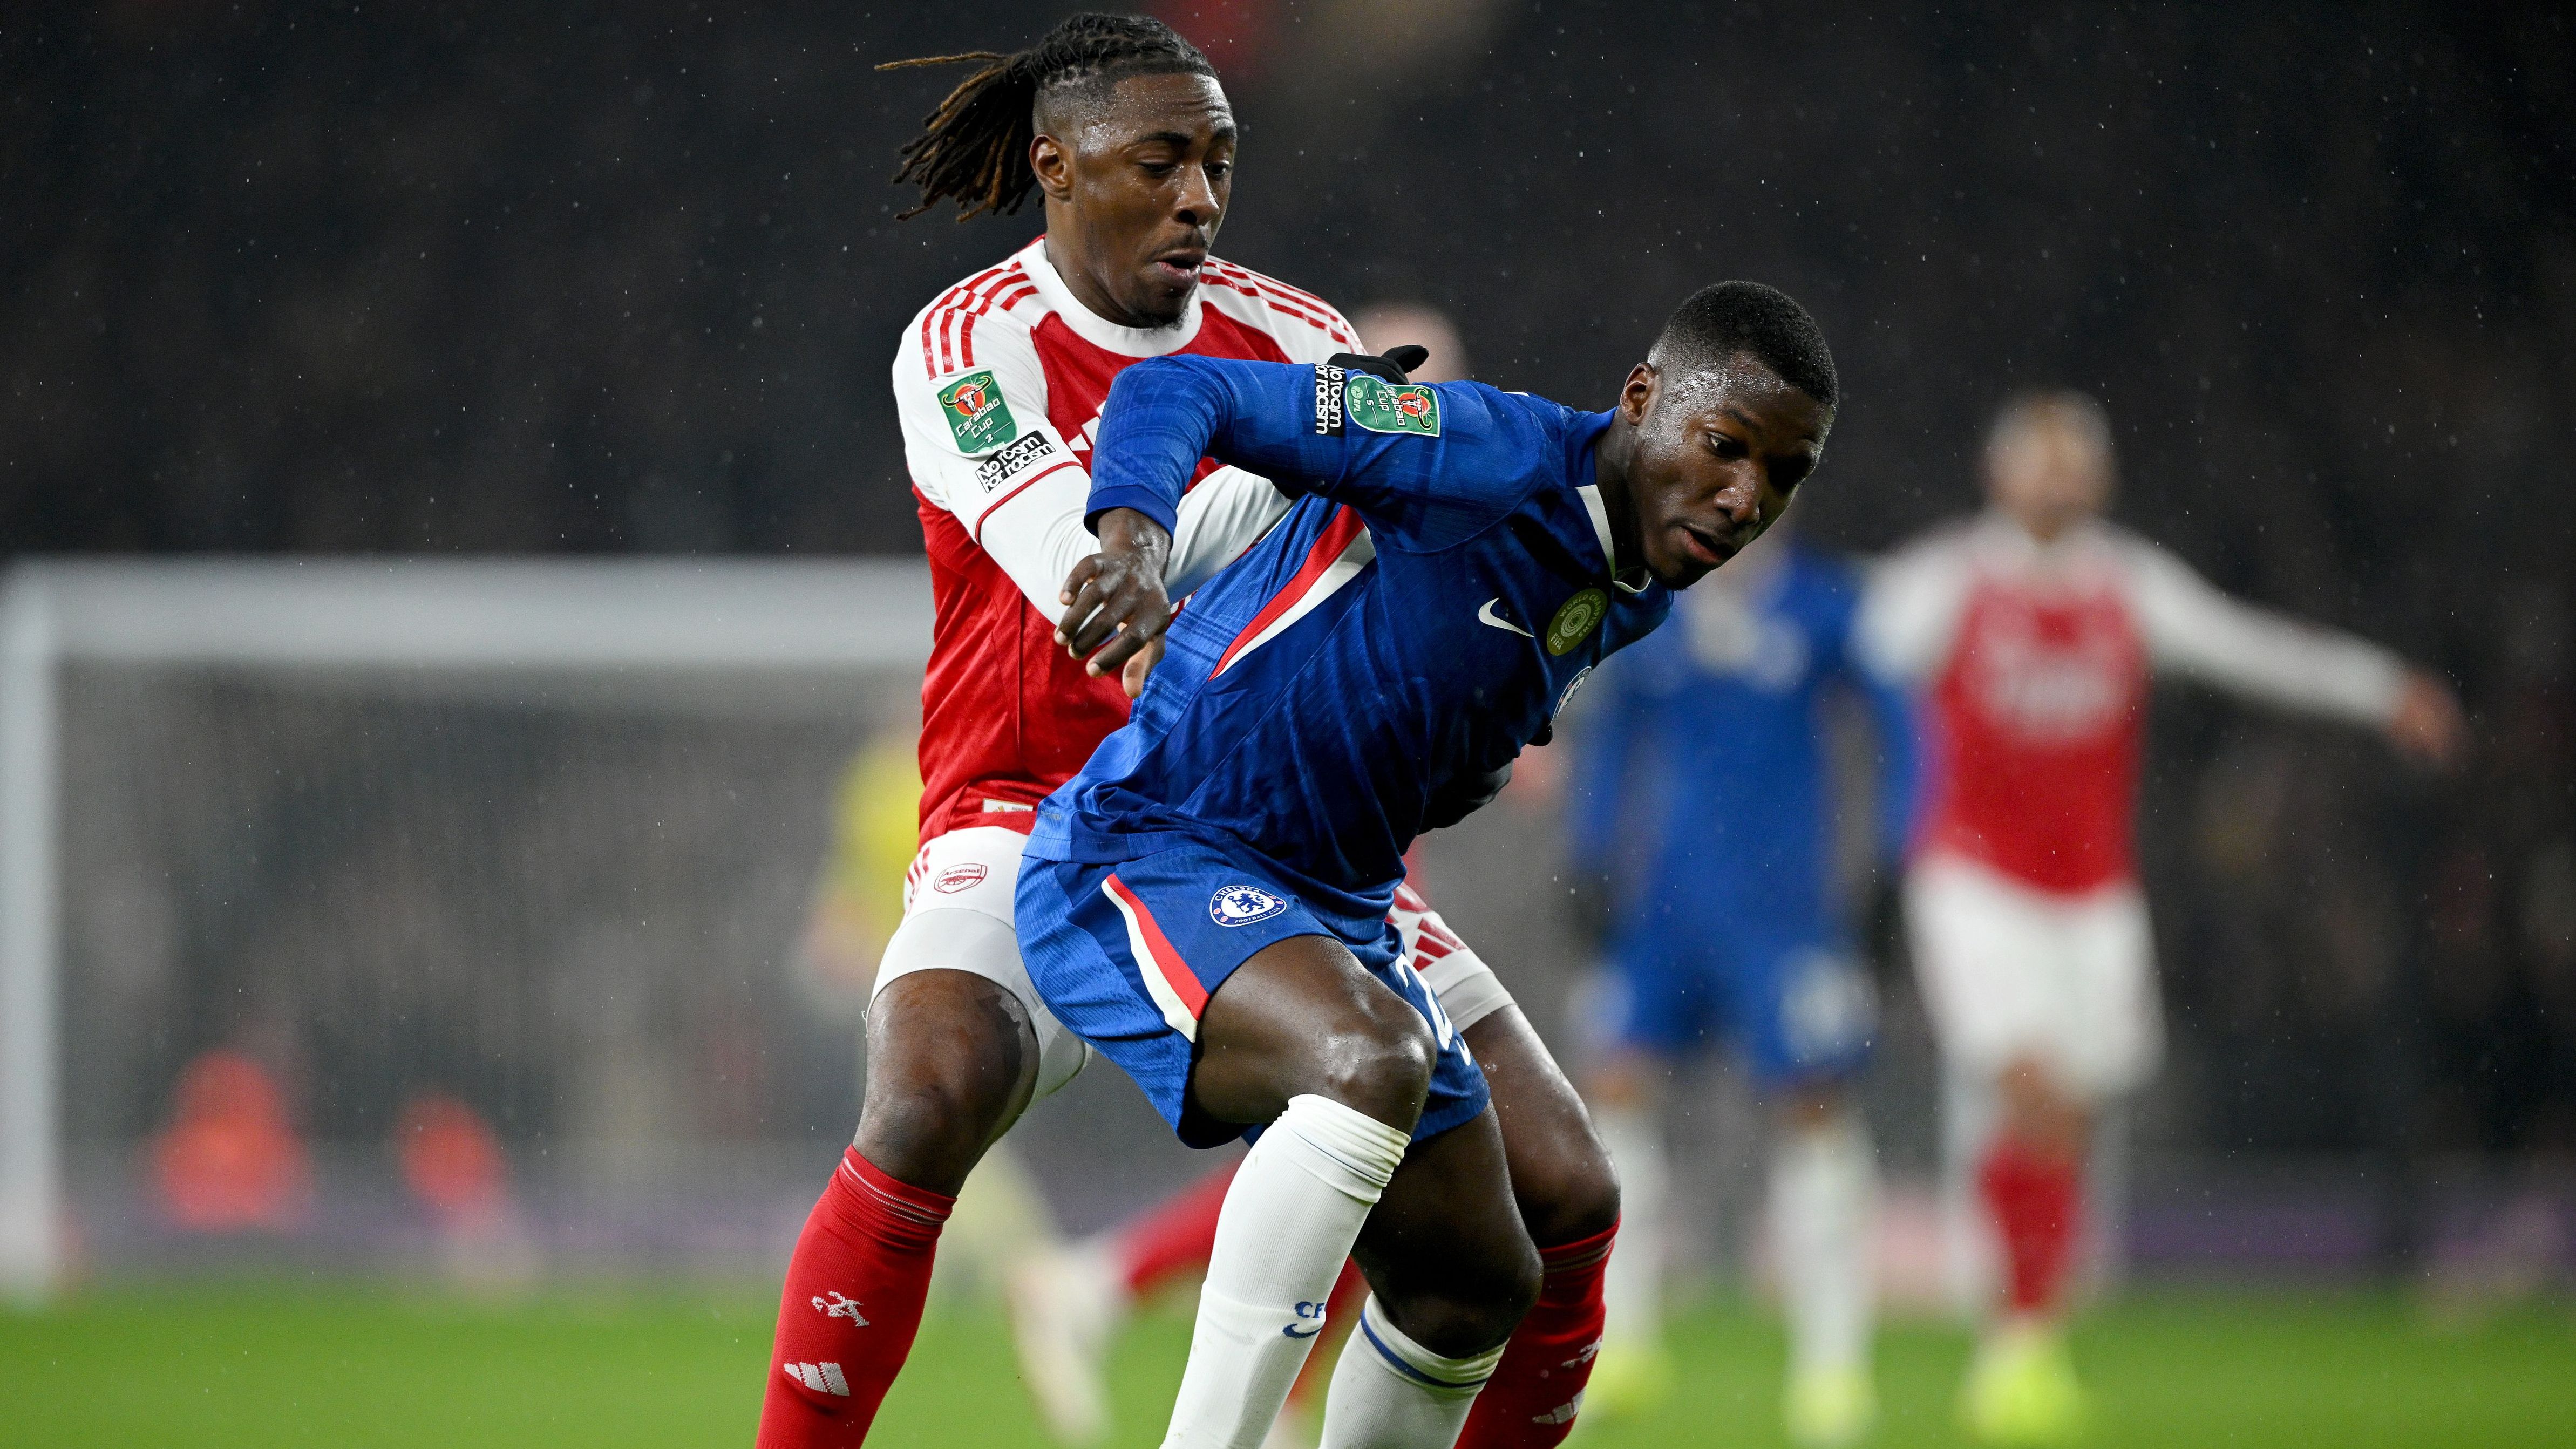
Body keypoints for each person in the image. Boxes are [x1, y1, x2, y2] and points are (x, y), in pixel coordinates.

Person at [757, 18, 1614, 1446]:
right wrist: (1305, 465)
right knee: (927, 1087)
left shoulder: (1296, 334)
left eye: (1216, 162)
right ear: (1058, 166)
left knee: (1557, 1189)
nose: (1197, 197)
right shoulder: (970, 344)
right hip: (1028, 800)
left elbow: (1371, 592)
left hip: (1264, 815)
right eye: (1158, 161)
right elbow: (1076, 576)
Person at [1015, 280, 1840, 1447]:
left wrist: (1470, 759)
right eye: (1721, 445)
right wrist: (1137, 541)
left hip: (1343, 897)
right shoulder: (1474, 446)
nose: (1743, 495)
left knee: (1535, 1224)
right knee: (1367, 1061)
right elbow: (1173, 386)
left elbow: (1448, 675)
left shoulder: (1639, 589)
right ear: (1640, 398)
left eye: (1781, 473)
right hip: (1157, 844)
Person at [1854, 390, 2465, 1445]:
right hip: (1972, 880)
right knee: (2030, 1085)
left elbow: (2253, 649)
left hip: (2092, 892)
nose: (2057, 479)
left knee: (2073, 1113)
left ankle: (2025, 1329)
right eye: (2038, 461)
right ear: (1997, 474)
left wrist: (2380, 690)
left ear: (2098, 477)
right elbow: (1840, 640)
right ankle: (2012, 1351)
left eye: (2073, 462)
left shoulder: (2127, 587)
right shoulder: (1947, 582)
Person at [1003, 303, 1480, 1449]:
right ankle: (1123, 1298)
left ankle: (1113, 1292)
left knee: (1396, 1153)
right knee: (1351, 1115)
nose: (1425, 412)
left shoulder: (1451, 521)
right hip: (1248, 854)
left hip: (1356, 866)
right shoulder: (1284, 502)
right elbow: (1167, 610)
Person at [1566, 521, 1914, 1447]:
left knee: (1813, 1111)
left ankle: (1832, 1373)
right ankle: (1622, 1343)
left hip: (1784, 920)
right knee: (1615, 1096)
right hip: (1665, 916)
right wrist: (1592, 859)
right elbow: (1610, 739)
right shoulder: (1657, 602)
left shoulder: (1824, 607)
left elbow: (1901, 725)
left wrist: (1891, 861)